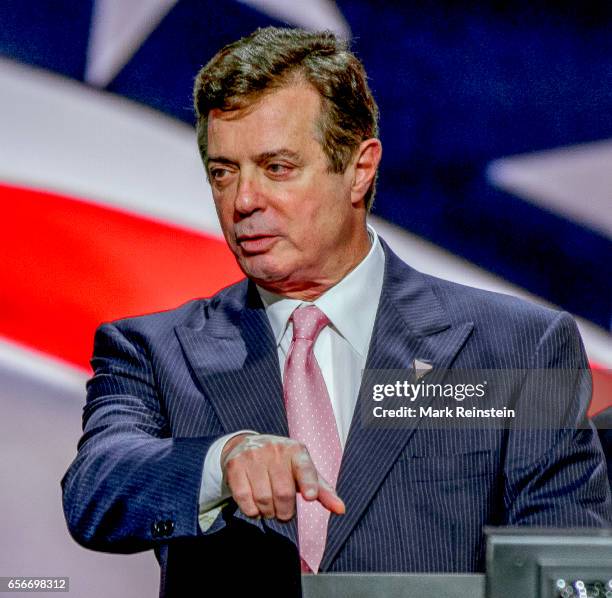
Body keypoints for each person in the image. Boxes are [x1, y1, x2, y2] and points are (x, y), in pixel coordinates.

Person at [61, 26, 611, 597]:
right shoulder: (154, 350)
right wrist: (219, 461)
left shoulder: (518, 348)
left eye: (276, 168)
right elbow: (96, 489)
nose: (243, 200)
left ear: (359, 167)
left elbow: (566, 572)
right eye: (224, 172)